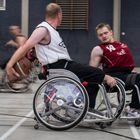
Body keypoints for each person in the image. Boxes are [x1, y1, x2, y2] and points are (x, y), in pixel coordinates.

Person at [6, 3, 116, 109]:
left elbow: (41, 50)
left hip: (65, 65)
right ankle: (88, 107)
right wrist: (10, 65)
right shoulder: (43, 29)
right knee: (97, 73)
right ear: (59, 15)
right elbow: (25, 46)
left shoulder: (51, 31)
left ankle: (83, 106)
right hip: (60, 66)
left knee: (90, 77)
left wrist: (35, 53)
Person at [89, 22, 140, 114]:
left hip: (126, 74)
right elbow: (92, 71)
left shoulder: (122, 45)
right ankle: (134, 108)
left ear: (111, 32)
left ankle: (133, 106)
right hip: (114, 77)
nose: (103, 36)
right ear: (98, 37)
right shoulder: (98, 49)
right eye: (100, 35)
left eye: (105, 33)